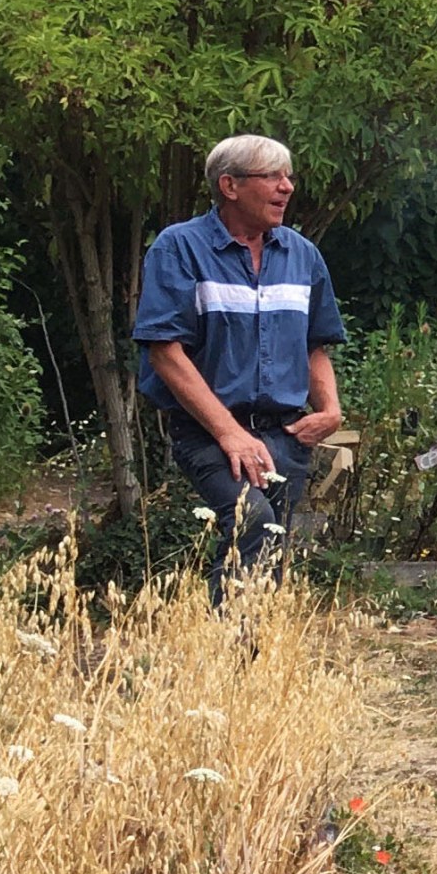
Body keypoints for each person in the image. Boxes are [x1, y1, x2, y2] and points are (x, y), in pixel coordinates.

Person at [134, 135, 345, 599]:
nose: (287, 187)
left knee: (269, 548)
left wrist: (330, 410)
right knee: (252, 524)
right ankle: (228, 654)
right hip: (210, 433)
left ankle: (251, 662)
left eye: (288, 176)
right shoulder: (179, 248)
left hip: (286, 438)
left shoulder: (302, 255)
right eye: (272, 176)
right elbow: (165, 352)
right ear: (229, 186)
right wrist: (229, 432)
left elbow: (314, 346)